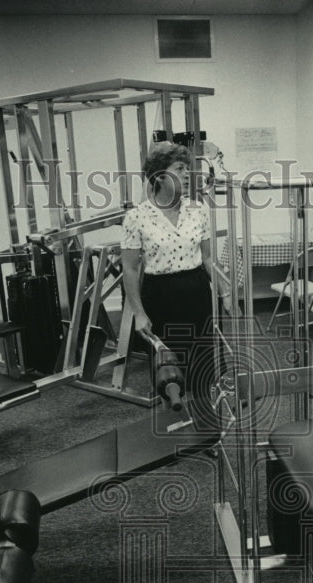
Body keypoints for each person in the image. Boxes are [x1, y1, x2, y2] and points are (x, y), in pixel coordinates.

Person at [120, 142, 231, 429]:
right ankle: (175, 429)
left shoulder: (198, 210)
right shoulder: (136, 217)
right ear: (158, 176)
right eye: (179, 169)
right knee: (169, 370)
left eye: (187, 169)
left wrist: (225, 291)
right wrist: (139, 313)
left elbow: (208, 258)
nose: (186, 175)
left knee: (204, 366)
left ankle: (207, 426)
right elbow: (130, 270)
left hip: (196, 291)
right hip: (160, 295)